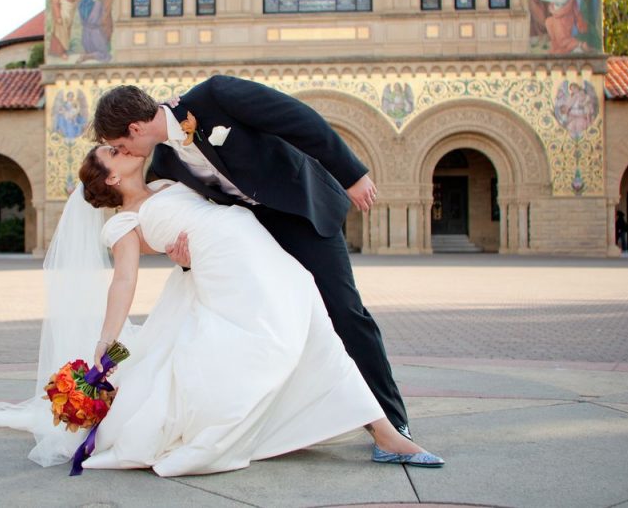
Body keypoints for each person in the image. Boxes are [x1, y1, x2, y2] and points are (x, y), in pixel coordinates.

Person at [77, 146, 442, 474]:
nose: (121, 148)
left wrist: (180, 255)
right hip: (229, 270)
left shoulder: (164, 183)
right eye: (112, 151)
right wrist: (107, 338)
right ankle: (372, 430)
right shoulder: (123, 223)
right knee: (276, 343)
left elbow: (187, 225)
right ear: (111, 177)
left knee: (314, 325)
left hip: (256, 248)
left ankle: (385, 434)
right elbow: (124, 280)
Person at [91, 77, 413, 439]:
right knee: (280, 322)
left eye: (120, 145)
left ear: (135, 129)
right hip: (254, 236)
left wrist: (352, 175)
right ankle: (295, 419)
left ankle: (392, 421)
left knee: (344, 310)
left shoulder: (215, 96)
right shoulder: (162, 165)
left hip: (302, 210)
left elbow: (299, 120)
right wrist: (183, 258)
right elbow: (188, 217)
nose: (126, 153)